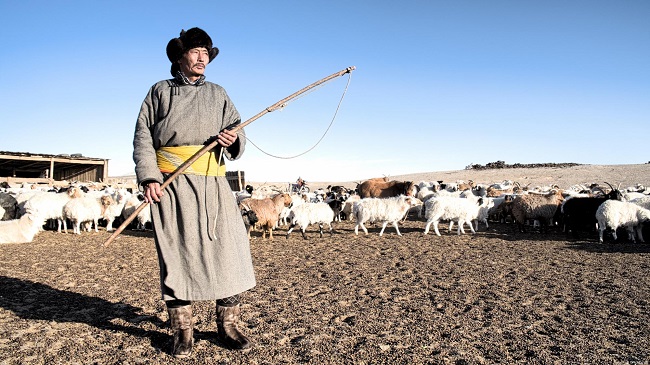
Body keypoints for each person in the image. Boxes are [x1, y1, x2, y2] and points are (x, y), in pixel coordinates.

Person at [132, 27, 256, 357]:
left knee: (229, 252)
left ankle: (227, 326)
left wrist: (234, 138)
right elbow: (143, 138)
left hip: (214, 185)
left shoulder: (219, 93)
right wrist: (149, 179)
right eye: (196, 52)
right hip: (172, 185)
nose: (202, 58)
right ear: (179, 57)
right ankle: (182, 331)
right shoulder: (160, 91)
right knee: (177, 256)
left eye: (206, 53)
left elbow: (237, 127)